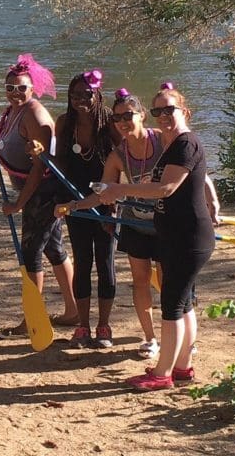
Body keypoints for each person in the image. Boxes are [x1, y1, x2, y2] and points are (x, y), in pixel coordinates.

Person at [97, 84, 216, 390]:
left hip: (187, 237)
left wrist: (120, 190)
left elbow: (165, 189)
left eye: (169, 110)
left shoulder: (185, 143)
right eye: (158, 111)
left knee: (173, 306)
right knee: (184, 305)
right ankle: (182, 368)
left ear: (184, 112)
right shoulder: (173, 144)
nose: (163, 116)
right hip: (179, 235)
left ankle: (162, 373)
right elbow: (162, 183)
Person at [56, 88, 163, 357]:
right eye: (119, 118)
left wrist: (210, 202)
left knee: (165, 280)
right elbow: (104, 189)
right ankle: (142, 338)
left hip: (158, 220)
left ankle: (181, 338)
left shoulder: (161, 140)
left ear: (141, 115)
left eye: (129, 115)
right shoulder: (113, 153)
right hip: (121, 214)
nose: (124, 122)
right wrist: (74, 205)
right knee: (128, 277)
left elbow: (192, 169)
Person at [0, 54, 78, 334]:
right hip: (32, 192)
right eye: (10, 88)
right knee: (54, 249)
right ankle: (72, 311)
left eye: (21, 88)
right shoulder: (13, 111)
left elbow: (39, 169)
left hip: (43, 192)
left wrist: (18, 204)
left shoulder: (35, 114)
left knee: (31, 253)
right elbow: (15, 140)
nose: (15, 93)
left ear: (32, 89)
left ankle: (32, 319)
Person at [54, 70, 120, 349]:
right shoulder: (63, 123)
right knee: (82, 262)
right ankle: (83, 326)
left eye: (86, 94)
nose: (80, 99)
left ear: (97, 95)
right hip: (75, 202)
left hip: (106, 202)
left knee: (105, 263)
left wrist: (115, 205)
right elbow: (58, 165)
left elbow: (124, 165)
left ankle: (104, 326)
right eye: (75, 95)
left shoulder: (110, 124)